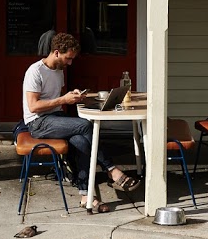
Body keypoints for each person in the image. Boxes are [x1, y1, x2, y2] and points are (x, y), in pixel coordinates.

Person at [23, 32, 139, 213]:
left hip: (55, 118)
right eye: (68, 58)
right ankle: (111, 169)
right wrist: (63, 100)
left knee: (80, 141)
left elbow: (55, 100)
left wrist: (74, 96)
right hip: (38, 123)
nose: (69, 63)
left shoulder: (58, 71)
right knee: (85, 125)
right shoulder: (35, 71)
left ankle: (86, 194)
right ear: (56, 52)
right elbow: (33, 106)